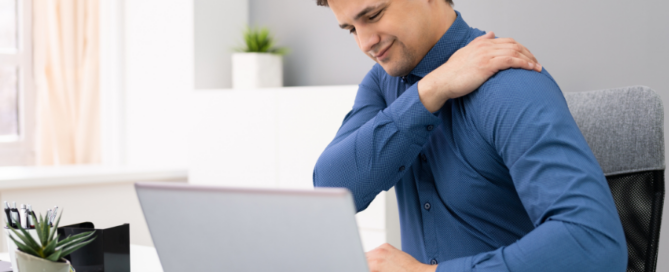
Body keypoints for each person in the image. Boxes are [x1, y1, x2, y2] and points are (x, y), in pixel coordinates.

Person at [312, 0, 628, 271]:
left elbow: (595, 243)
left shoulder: (512, 87)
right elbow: (331, 188)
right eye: (352, 29)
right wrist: (431, 90)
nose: (365, 42)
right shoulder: (384, 82)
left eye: (374, 15)